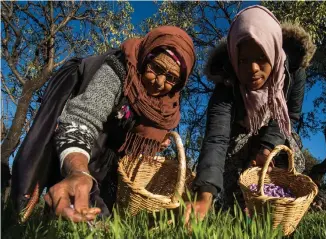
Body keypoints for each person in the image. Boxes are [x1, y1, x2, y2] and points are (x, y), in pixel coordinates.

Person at [12, 26, 195, 222]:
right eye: (156, 68)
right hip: (85, 140)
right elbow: (83, 117)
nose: (160, 82)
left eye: (171, 78)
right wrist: (78, 171)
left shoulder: (166, 106)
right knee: (66, 187)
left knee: (104, 216)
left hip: (110, 155)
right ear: (145, 58)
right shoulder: (119, 70)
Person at [185, 5, 316, 223]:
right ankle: (238, 206)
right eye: (243, 60)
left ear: (273, 51)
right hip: (239, 139)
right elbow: (217, 139)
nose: (253, 68)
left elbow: (290, 116)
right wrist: (204, 196)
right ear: (234, 58)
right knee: (231, 196)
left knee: (288, 150)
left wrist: (267, 147)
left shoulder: (293, 72)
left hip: (276, 132)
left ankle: (277, 211)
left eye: (262, 57)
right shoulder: (226, 85)